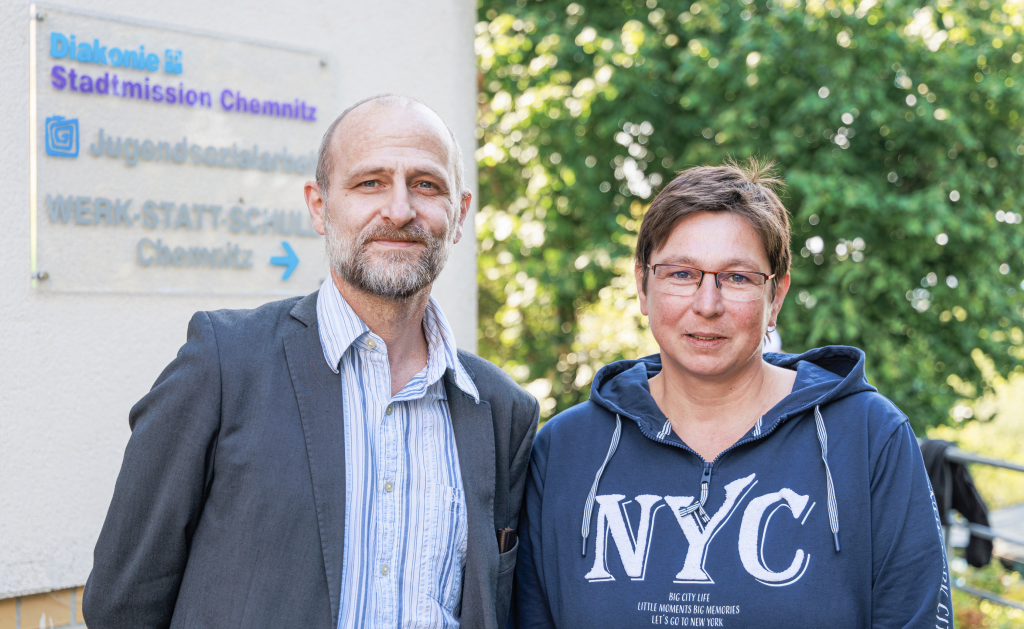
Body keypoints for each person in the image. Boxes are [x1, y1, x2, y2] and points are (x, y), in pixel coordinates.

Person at [83, 94, 539, 629]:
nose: (399, 209)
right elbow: (121, 604)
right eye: (369, 183)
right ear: (320, 207)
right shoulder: (224, 364)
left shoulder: (503, 411)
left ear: (458, 215)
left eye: (426, 184)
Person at [511, 161, 953, 628]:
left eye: (737, 277)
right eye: (681, 274)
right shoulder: (564, 451)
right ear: (643, 285)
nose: (707, 304)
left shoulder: (868, 438)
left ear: (775, 297)